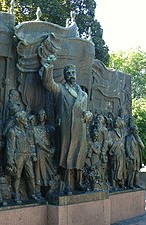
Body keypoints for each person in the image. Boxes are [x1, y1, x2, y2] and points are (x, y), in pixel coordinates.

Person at [40, 57, 90, 194]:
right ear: (65, 76)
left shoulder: (83, 95)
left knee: (79, 155)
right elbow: (47, 82)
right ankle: (67, 184)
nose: (71, 76)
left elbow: (85, 111)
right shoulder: (60, 90)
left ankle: (78, 182)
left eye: (73, 73)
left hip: (80, 129)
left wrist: (88, 115)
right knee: (67, 155)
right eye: (68, 74)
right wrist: (48, 66)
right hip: (66, 130)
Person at [6, 111, 38, 203]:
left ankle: (32, 194)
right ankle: (15, 195)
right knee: (17, 177)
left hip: (27, 155)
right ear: (19, 120)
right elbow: (10, 147)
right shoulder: (12, 131)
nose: (26, 119)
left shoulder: (28, 130)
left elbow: (31, 143)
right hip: (18, 156)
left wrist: (33, 154)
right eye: (24, 118)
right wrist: (10, 160)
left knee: (31, 176)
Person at [33, 109, 56, 197]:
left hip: (49, 153)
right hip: (41, 152)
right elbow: (37, 142)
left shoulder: (50, 129)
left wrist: (53, 149)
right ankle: (38, 189)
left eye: (42, 114)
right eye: (39, 114)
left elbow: (54, 142)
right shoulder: (35, 129)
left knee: (52, 169)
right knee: (39, 166)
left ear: (45, 116)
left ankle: (51, 185)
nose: (41, 116)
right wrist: (47, 150)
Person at [125, 117, 144, 189]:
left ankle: (136, 183)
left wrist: (138, 137)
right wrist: (130, 155)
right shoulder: (128, 137)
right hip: (132, 157)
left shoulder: (137, 138)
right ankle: (130, 184)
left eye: (137, 130)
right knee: (131, 171)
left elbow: (142, 146)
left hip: (137, 156)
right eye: (135, 130)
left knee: (136, 170)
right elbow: (127, 147)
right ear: (132, 131)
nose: (137, 131)